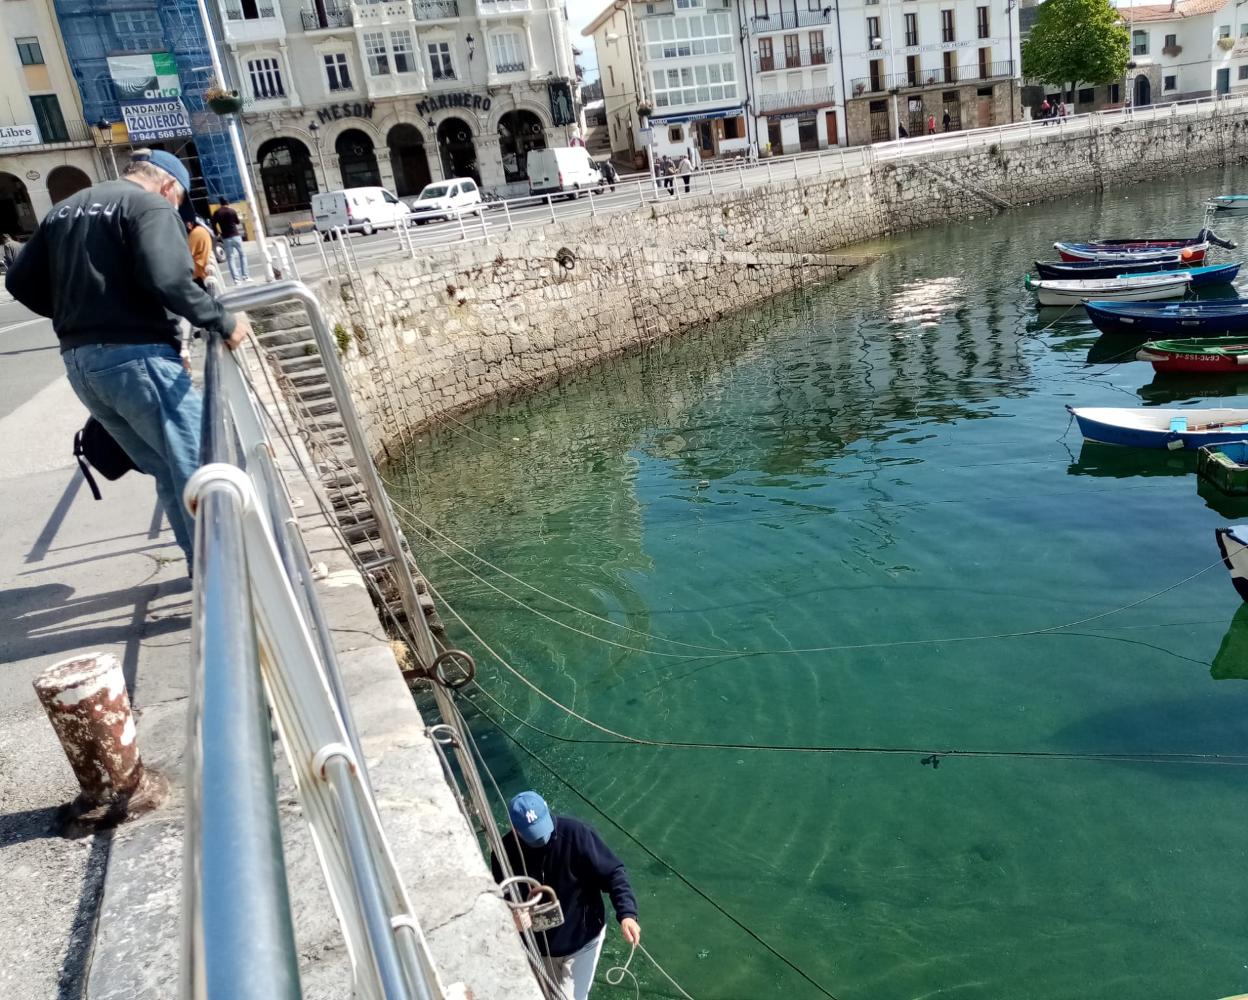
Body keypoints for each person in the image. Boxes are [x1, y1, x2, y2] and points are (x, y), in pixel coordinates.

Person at [4, 150, 249, 573]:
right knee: (202, 466)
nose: (176, 208)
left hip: (83, 365)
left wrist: (77, 315)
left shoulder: (64, 209)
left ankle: (208, 577)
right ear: (170, 186)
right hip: (135, 359)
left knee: (171, 472)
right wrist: (222, 320)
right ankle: (232, 583)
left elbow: (19, 280)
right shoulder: (150, 205)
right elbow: (168, 279)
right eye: (178, 200)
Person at [492, 792, 639, 1000]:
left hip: (583, 941)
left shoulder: (578, 834)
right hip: (539, 948)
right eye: (532, 835)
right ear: (515, 830)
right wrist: (513, 916)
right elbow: (501, 897)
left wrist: (627, 914)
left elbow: (614, 873)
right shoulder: (503, 852)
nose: (541, 838)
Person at [212, 195, 248, 283]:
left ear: (220, 203)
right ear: (227, 202)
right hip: (235, 235)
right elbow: (237, 222)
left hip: (226, 237)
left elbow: (213, 223)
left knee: (230, 258)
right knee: (242, 255)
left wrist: (217, 233)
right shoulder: (232, 211)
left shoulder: (217, 212)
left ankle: (236, 280)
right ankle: (245, 276)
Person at [183, 204, 213, 291]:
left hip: (199, 272)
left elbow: (187, 253)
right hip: (202, 269)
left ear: (189, 224)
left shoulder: (195, 233)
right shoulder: (201, 230)